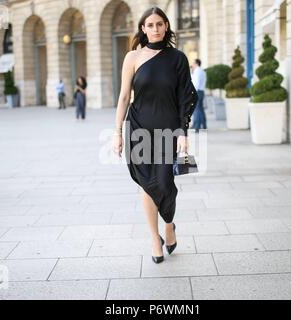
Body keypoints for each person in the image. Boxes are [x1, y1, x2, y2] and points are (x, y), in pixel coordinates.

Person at [112, 7, 198, 264]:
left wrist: (183, 131)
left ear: (166, 26)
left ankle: (169, 225)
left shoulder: (178, 59)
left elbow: (186, 96)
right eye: (150, 24)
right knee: (147, 185)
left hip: (168, 130)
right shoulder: (132, 57)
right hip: (138, 128)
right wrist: (117, 133)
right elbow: (125, 97)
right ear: (143, 28)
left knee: (165, 184)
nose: (156, 28)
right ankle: (154, 238)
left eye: (160, 24)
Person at [191, 58, 207, 133]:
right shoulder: (202, 71)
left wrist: (192, 92)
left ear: (197, 63)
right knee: (200, 109)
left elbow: (196, 83)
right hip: (201, 91)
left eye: (193, 63)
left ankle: (197, 127)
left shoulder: (197, 71)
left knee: (196, 109)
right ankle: (204, 126)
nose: (192, 65)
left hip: (197, 91)